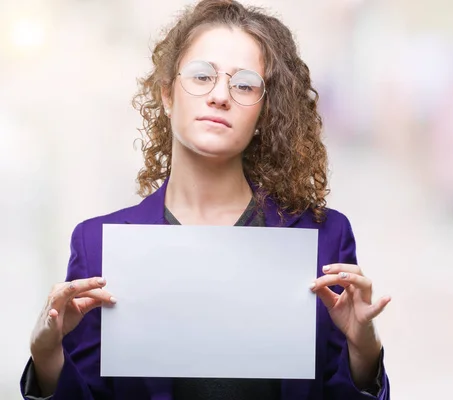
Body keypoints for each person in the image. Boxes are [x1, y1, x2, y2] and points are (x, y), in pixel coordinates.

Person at [20, 0, 391, 399]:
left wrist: (363, 351)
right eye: (201, 76)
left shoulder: (324, 237)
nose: (220, 96)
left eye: (244, 84)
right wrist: (47, 357)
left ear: (264, 112)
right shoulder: (98, 245)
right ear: (166, 94)